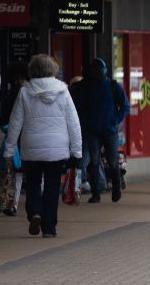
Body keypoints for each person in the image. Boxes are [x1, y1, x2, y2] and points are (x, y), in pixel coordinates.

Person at [3, 54, 82, 238]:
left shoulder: (25, 92)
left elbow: (15, 123)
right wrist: (76, 151)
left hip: (31, 147)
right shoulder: (63, 91)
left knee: (33, 183)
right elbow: (73, 123)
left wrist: (8, 150)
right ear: (53, 69)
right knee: (52, 187)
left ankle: (35, 213)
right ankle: (49, 228)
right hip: (57, 149)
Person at [71, 59, 127, 203]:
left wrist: (115, 121)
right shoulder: (87, 86)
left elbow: (124, 106)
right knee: (95, 162)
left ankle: (115, 187)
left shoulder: (113, 86)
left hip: (108, 130)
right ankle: (96, 193)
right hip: (94, 130)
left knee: (111, 161)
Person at [1, 62, 28, 216]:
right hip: (29, 137)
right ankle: (38, 204)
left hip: (12, 136)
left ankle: (13, 203)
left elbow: (4, 117)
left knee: (14, 173)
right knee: (34, 173)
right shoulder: (30, 92)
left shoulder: (10, 94)